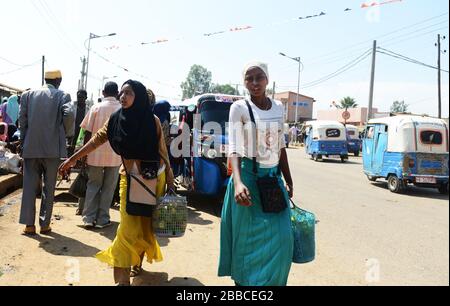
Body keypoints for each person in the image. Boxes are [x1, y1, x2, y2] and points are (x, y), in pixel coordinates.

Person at [59, 80, 175, 286]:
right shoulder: (115, 119)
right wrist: (72, 159)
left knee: (145, 228)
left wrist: (171, 181)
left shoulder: (153, 120)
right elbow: (95, 140)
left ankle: (136, 263)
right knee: (127, 228)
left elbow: (162, 152)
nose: (123, 96)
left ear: (137, 96)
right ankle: (122, 282)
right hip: (129, 180)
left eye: (128, 93)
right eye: (121, 93)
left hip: (153, 180)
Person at [218, 62, 294, 286]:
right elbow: (234, 148)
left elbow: (280, 146)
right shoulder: (239, 108)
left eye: (259, 77)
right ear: (244, 82)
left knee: (283, 242)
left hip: (273, 181)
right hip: (248, 183)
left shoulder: (279, 107)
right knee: (247, 246)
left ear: (267, 79)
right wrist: (238, 183)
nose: (254, 83)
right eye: (249, 78)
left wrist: (288, 179)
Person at [18, 70, 74, 235]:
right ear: (59, 80)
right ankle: (44, 225)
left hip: (31, 147)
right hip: (52, 150)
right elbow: (70, 114)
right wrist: (66, 132)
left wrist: (23, 140)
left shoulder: (28, 95)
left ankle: (29, 225)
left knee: (28, 187)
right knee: (49, 188)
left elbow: (22, 120)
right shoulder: (63, 96)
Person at [76, 82, 122, 228]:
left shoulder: (96, 107)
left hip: (94, 154)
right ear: (118, 93)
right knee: (109, 187)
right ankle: (102, 219)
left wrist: (83, 154)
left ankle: (88, 218)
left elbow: (87, 133)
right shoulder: (122, 109)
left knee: (93, 185)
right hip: (115, 155)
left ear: (103, 92)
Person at [68, 90, 88, 157]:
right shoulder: (71, 107)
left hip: (82, 133)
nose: (80, 99)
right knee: (70, 149)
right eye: (78, 97)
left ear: (86, 98)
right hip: (73, 132)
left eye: (82, 97)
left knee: (80, 151)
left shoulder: (89, 109)